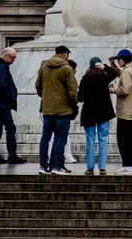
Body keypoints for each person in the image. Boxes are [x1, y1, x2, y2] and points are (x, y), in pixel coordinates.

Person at [35, 43, 78, 175]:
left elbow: (37, 86)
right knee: (60, 138)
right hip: (63, 110)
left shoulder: (44, 67)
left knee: (45, 137)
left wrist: (47, 97)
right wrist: (74, 106)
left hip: (47, 109)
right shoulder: (67, 68)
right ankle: (56, 166)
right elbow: (72, 91)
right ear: (65, 54)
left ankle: (42, 166)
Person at [77, 56, 115, 174]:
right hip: (104, 112)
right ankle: (102, 167)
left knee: (90, 140)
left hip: (89, 112)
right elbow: (114, 74)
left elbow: (81, 98)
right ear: (99, 66)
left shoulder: (85, 78)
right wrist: (105, 67)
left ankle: (90, 167)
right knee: (103, 139)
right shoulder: (104, 77)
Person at [110, 50, 132, 171]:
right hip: (130, 108)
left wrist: (112, 90)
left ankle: (127, 165)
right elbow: (122, 74)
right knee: (127, 138)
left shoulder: (128, 71)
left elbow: (125, 89)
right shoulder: (131, 70)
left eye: (119, 59)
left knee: (123, 139)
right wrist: (114, 66)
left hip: (125, 109)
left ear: (123, 59)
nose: (118, 61)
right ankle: (128, 164)